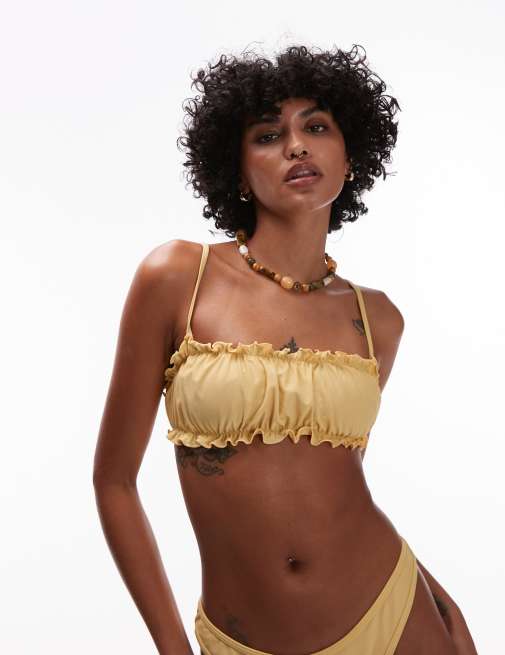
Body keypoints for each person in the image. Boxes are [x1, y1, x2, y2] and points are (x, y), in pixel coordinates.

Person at [93, 44, 478, 655]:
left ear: (351, 157)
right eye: (268, 136)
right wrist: (172, 646)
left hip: (393, 614)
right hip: (241, 638)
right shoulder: (179, 278)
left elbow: (335, 480)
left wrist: (434, 596)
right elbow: (113, 481)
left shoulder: (376, 319)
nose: (297, 146)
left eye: (317, 127)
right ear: (236, 170)